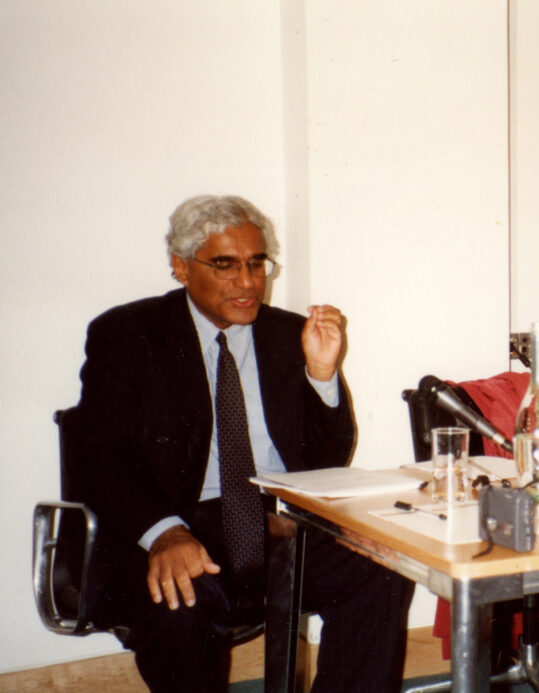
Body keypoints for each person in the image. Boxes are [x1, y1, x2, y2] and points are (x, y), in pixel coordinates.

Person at [75, 195, 413, 692]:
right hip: (179, 522)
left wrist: (322, 374)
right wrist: (165, 534)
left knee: (383, 570)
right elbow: (101, 459)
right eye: (226, 265)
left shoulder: (287, 333)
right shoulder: (130, 333)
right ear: (181, 267)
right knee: (179, 605)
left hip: (274, 521)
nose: (249, 282)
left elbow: (326, 461)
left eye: (257, 263)